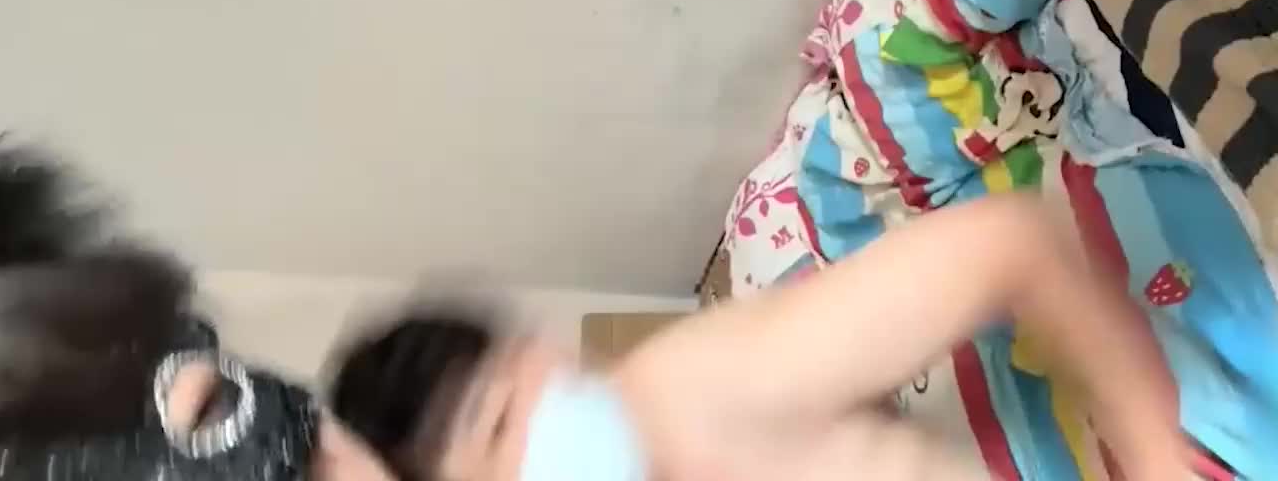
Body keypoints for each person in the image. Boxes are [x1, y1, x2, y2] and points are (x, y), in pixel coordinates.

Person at [319, 192, 1190, 481]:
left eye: (503, 423)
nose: (527, 466)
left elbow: (1010, 243)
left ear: (534, 352)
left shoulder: (704, 385)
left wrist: (1156, 454)